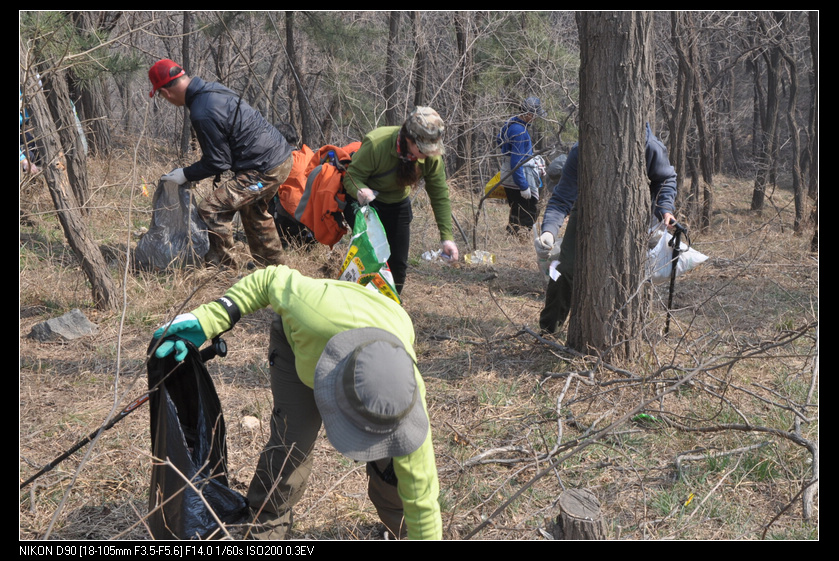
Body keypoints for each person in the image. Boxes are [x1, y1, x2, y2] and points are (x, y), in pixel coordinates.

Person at [153, 265, 442, 540]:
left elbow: (423, 501)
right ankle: (267, 526)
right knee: (292, 443)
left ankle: (399, 528)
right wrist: (212, 316)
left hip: (378, 329)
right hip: (301, 344)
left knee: (393, 460)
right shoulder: (310, 310)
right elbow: (269, 279)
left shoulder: (407, 403)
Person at [148, 59, 294, 268]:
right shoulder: (211, 89)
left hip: (264, 169)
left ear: (166, 92)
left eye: (161, 95)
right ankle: (272, 270)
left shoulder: (202, 111)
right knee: (254, 212)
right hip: (279, 156)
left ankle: (224, 269)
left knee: (211, 209)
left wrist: (186, 174)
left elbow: (218, 162)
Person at [536, 123, 678, 334]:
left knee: (625, 274)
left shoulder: (648, 145)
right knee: (560, 268)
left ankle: (625, 333)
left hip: (631, 214)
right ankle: (549, 328)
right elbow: (561, 197)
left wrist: (665, 209)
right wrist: (548, 230)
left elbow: (665, 178)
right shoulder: (581, 150)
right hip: (585, 210)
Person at [342, 106, 459, 294]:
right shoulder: (377, 143)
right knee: (371, 259)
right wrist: (360, 190)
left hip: (397, 204)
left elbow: (439, 194)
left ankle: (390, 309)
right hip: (367, 202)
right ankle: (360, 303)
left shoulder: (432, 158)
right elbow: (351, 175)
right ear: (408, 139)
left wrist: (447, 238)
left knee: (397, 264)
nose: (428, 153)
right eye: (423, 148)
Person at [496, 97, 546, 235]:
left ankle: (511, 236)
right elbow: (516, 162)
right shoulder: (520, 132)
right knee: (527, 212)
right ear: (529, 114)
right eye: (535, 115)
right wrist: (523, 186)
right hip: (517, 178)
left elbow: (498, 139)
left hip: (508, 176)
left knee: (516, 210)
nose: (536, 118)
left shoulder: (511, 123)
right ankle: (520, 239)